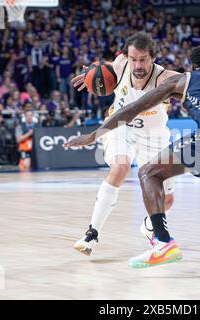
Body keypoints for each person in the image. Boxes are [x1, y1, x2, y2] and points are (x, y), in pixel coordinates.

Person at [64, 45, 200, 270]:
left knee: (148, 173)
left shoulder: (184, 79)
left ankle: (163, 243)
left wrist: (94, 135)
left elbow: (132, 108)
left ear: (192, 66)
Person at [70, 33, 179, 256]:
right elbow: (104, 68)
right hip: (121, 128)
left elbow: (193, 83)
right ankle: (92, 233)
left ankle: (149, 225)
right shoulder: (120, 66)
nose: (137, 65)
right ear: (126, 57)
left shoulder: (165, 78)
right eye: (133, 59)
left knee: (167, 200)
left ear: (152, 58)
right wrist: (91, 75)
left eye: (143, 59)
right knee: (120, 166)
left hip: (155, 136)